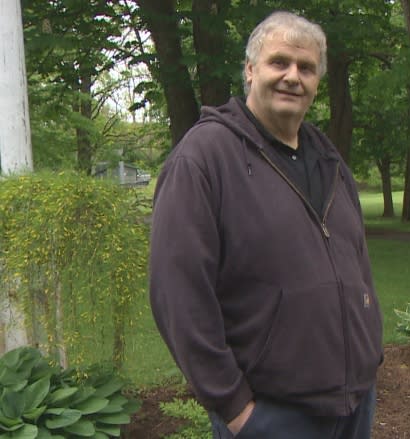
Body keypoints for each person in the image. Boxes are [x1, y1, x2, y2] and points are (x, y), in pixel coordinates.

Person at [149, 11, 383, 439]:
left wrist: (371, 355)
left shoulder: (330, 163)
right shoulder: (204, 159)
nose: (293, 76)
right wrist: (236, 409)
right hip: (272, 416)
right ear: (251, 70)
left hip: (352, 403)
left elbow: (358, 266)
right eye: (280, 62)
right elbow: (177, 294)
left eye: (306, 68)